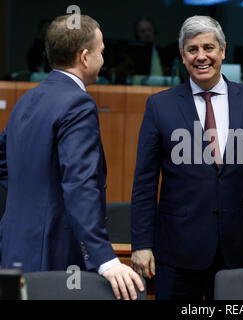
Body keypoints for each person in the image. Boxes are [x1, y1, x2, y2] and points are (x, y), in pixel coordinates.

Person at [130, 15, 243, 300]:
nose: (201, 56)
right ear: (182, 55)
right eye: (192, 49)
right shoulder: (160, 106)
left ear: (223, 51)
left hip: (236, 247)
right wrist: (141, 244)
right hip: (177, 251)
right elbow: (144, 182)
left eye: (209, 48)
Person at [0, 14, 144, 300]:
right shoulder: (78, 103)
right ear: (84, 57)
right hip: (54, 251)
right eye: (101, 51)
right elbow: (80, 184)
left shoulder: (28, 98)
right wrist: (105, 258)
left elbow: (4, 163)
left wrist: (38, 198)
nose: (104, 58)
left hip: (14, 246)